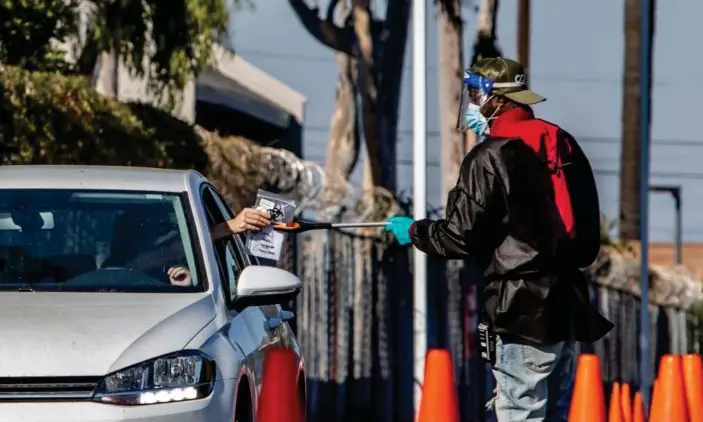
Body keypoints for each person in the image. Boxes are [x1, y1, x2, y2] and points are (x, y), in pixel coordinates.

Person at [384, 57, 613, 422]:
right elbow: (585, 238)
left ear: (500, 100)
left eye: (477, 94)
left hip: (519, 310)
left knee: (520, 412)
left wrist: (414, 231)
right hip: (565, 306)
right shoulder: (562, 144)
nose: (472, 103)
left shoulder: (490, 155)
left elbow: (460, 236)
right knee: (554, 412)